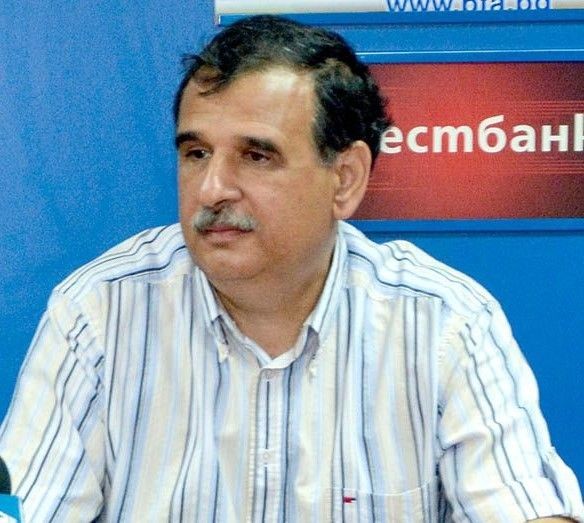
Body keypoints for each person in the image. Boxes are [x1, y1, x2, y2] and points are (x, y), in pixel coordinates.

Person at [0, 15, 582, 523]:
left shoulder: (443, 323)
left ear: (345, 178)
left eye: (256, 156)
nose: (212, 188)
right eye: (196, 153)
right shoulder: (99, 314)